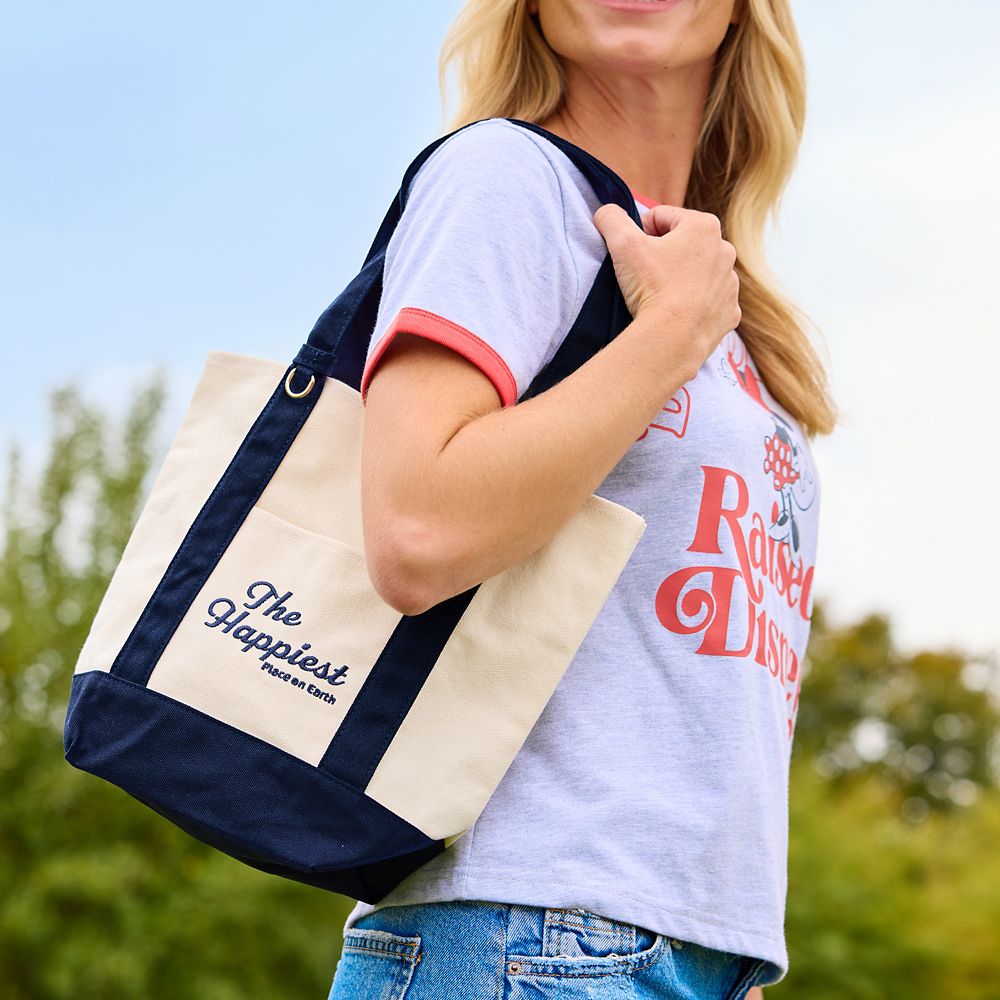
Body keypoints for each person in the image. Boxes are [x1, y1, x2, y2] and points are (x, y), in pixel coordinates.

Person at [328, 0, 836, 996]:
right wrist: (670, 332)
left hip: (681, 948)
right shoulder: (507, 181)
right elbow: (415, 528)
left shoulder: (730, 304)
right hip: (526, 926)